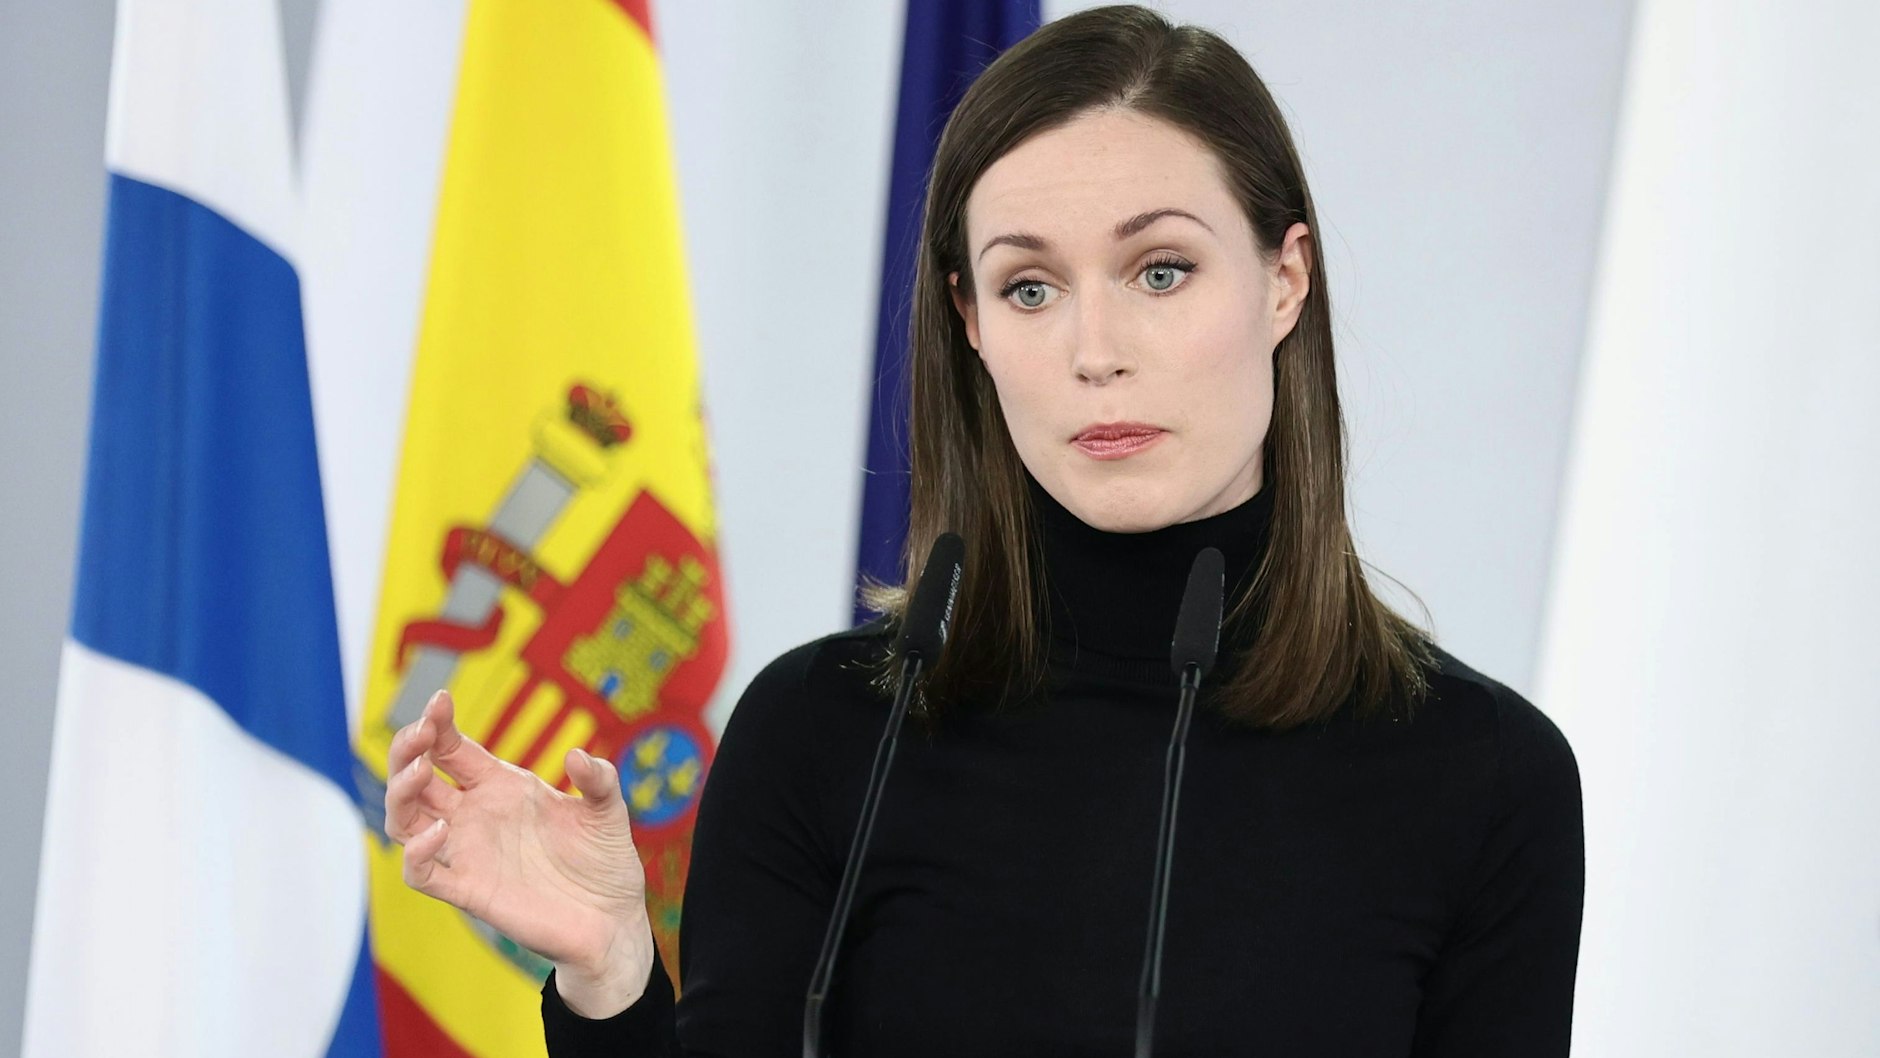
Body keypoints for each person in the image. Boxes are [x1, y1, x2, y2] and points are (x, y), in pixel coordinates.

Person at [383, 5, 1585, 1055]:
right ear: (968, 319)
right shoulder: (822, 734)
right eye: (1029, 286)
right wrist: (609, 971)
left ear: (1283, 279)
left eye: (1160, 271)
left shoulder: (1483, 778)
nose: (1093, 350)